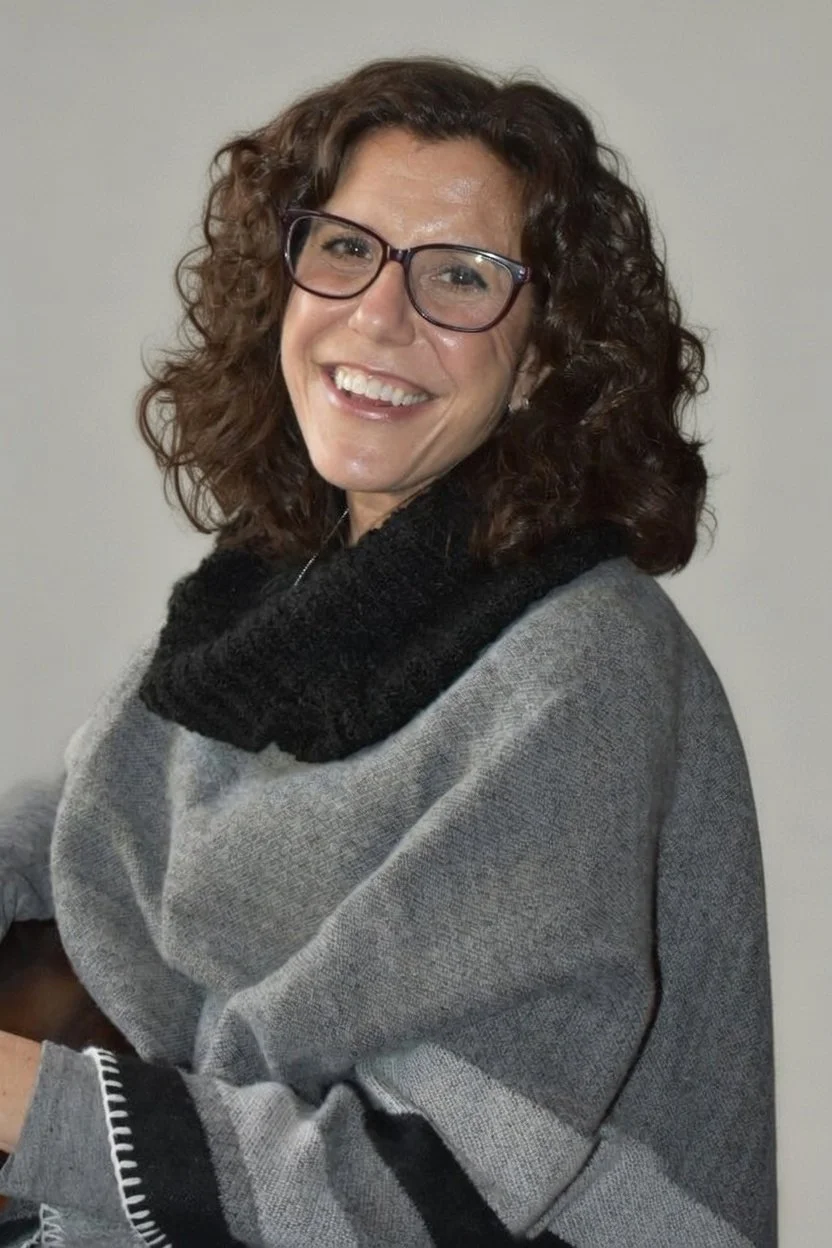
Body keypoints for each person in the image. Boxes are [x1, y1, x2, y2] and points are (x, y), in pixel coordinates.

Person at [0, 55, 775, 1247]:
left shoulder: (581, 667)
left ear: (542, 357)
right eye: (344, 248)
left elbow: (430, 1186)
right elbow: (107, 824)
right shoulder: (288, 582)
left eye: (459, 276)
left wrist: (23, 1101)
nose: (376, 314)